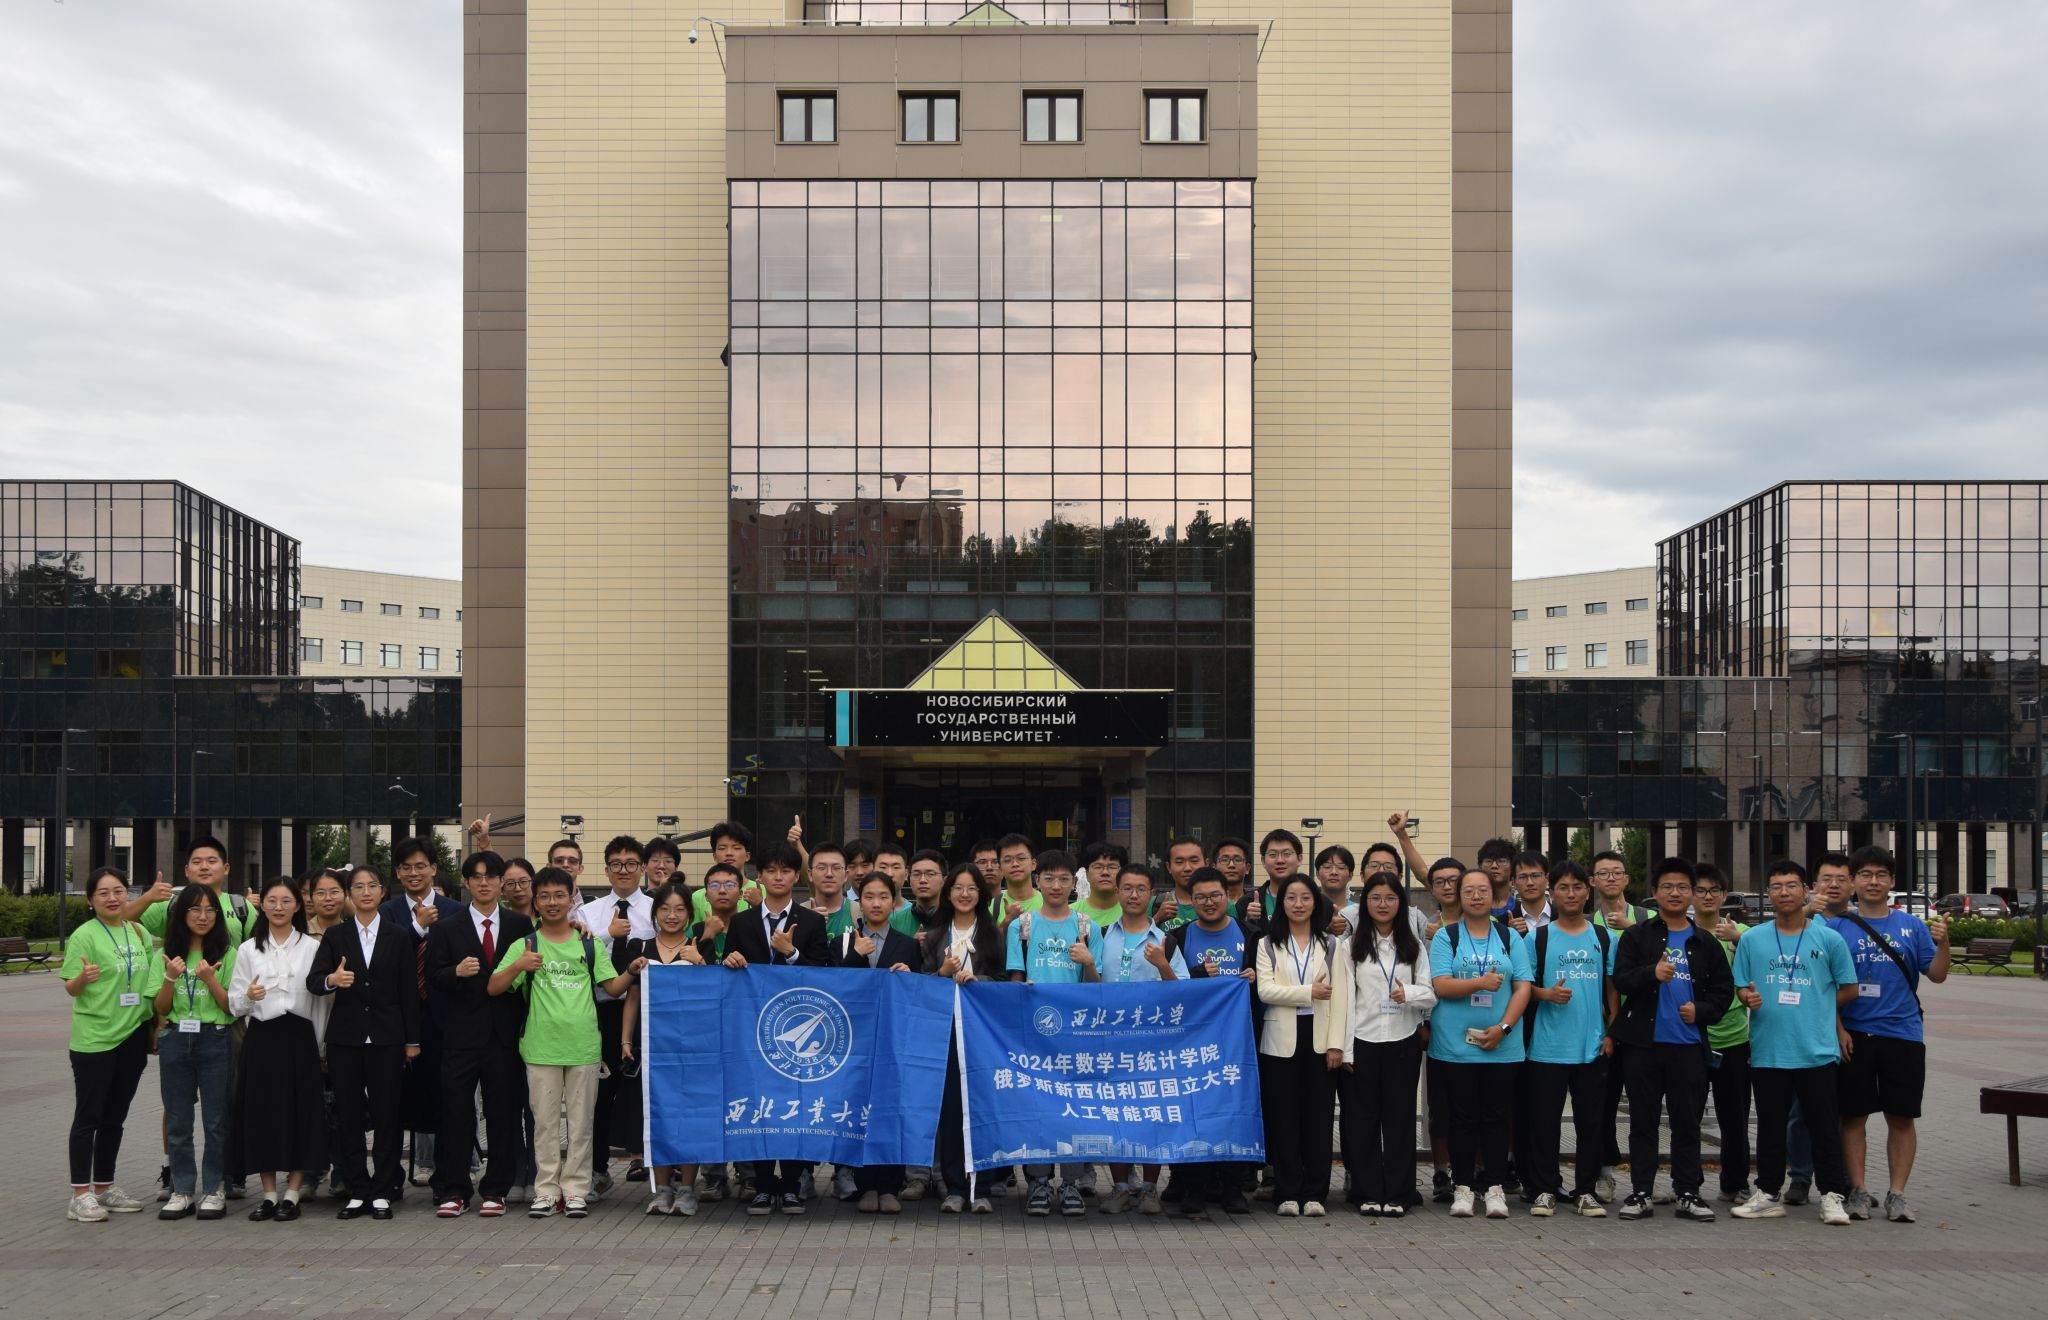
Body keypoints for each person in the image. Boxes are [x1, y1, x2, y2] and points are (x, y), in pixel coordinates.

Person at [488, 866, 638, 1219]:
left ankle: (575, 1191)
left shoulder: (587, 942)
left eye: (559, 895)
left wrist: (632, 971)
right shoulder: (525, 944)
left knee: (582, 1124)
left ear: (572, 899)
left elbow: (611, 986)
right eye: (544, 896)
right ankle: (546, 1191)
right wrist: (519, 966)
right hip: (540, 1048)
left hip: (584, 1048)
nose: (552, 902)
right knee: (545, 1125)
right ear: (535, 901)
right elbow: (494, 987)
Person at [1731, 859, 1858, 1226]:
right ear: (1768, 894)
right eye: (1776, 886)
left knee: (1823, 1127)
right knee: (1770, 1128)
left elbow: (1849, 987)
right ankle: (1768, 1193)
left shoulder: (1828, 938)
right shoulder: (1752, 939)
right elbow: (1741, 987)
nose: (1784, 892)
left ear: (1806, 891)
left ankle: (1833, 1196)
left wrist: (1819, 1002)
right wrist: (1748, 997)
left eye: (1791, 885)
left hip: (1816, 1051)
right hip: (1769, 1051)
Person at [1607, 857, 1733, 1222]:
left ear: (1691, 893)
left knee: (1687, 1123)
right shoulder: (1637, 936)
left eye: (1682, 887)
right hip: (1642, 1046)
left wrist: (1702, 1011)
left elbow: (1724, 992)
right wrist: (1653, 972)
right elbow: (1622, 979)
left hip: (1688, 1046)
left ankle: (1688, 1192)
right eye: (1667, 886)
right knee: (1643, 1122)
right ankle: (1641, 1192)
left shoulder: (1705, 942)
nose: (1674, 893)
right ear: (1654, 892)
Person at [1829, 844, 1948, 1223]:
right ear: (1853, 882)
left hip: (1903, 1034)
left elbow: (1937, 974)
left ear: (1892, 881)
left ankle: (1897, 1193)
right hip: (1854, 1036)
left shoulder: (1911, 926)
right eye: (1865, 874)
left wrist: (1944, 943)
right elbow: (1826, 988)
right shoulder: (1836, 928)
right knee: (1853, 1117)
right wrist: (1839, 1030)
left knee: (1901, 1117)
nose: (1873, 881)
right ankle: (1858, 1190)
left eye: (1881, 875)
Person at [722, 841, 830, 1215]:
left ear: (796, 876)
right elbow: (727, 970)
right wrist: (730, 959)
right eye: (771, 870)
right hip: (753, 1029)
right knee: (761, 1104)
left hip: (797, 1030)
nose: (779, 876)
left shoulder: (812, 921)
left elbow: (826, 974)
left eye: (786, 870)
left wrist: (791, 953)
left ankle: (793, 1185)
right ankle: (764, 1185)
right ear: (760, 877)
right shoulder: (742, 922)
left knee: (796, 1105)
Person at [308, 863, 421, 1221]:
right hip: (346, 1038)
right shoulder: (336, 936)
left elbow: (408, 992)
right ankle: (358, 1189)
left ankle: (384, 1188)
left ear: (382, 891)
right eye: (358, 886)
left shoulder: (397, 935)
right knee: (349, 1115)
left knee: (388, 1114)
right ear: (349, 894)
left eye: (372, 885)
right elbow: (314, 981)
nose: (366, 892)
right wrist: (332, 980)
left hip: (388, 1038)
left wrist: (412, 1040)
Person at [422, 850, 532, 1218]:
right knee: (456, 1113)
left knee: (502, 1114)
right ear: (466, 883)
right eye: (476, 877)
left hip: (504, 1036)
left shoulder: (520, 925)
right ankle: (455, 1189)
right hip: (459, 1036)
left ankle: (496, 1190)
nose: (484, 883)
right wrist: (455, 972)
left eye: (491, 876)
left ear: (502, 882)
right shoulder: (446, 928)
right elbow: (432, 979)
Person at [1428, 869, 1531, 1219]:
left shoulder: (1509, 936)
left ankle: (1495, 1187)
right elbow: (1441, 985)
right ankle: (1462, 1187)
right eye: (1468, 890)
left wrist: (1504, 1027)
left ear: (1493, 895)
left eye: (1482, 890)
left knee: (1497, 1117)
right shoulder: (1447, 936)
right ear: (1459, 896)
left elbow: (1523, 986)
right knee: (1461, 1118)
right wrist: (1479, 983)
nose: (1476, 896)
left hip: (1502, 1045)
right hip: (1455, 1046)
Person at [61, 867, 162, 1222]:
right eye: (103, 893)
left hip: (132, 1035)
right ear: (91, 900)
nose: (112, 898)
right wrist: (81, 978)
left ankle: (104, 1186)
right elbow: (70, 988)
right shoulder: (84, 936)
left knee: (115, 1117)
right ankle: (79, 1194)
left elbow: (149, 980)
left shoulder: (138, 931)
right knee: (88, 1116)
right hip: (95, 1039)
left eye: (118, 891)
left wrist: (154, 1025)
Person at [228, 876, 329, 1222]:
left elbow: (320, 1002)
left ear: (298, 905)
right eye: (272, 900)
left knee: (300, 1114)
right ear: (262, 905)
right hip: (262, 1038)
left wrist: (320, 1046)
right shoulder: (248, 949)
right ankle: (269, 1194)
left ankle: (292, 1193)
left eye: (286, 900)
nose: (279, 907)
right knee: (263, 1115)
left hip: (301, 1039)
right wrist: (248, 997)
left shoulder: (311, 947)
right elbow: (234, 1003)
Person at [1521, 861, 1616, 1218]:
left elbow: (1612, 989)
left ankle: (1586, 1190)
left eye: (1577, 887)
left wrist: (1611, 1032)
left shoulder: (1603, 937)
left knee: (1590, 1123)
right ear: (1553, 893)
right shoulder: (1538, 938)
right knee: (1544, 1123)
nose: (1571, 894)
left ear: (1587, 892)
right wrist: (1546, 994)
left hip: (1592, 1046)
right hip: (1547, 1048)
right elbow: (1522, 987)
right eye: (1564, 887)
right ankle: (1545, 1189)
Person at [1337, 872, 1434, 1218]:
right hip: (1361, 1041)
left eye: (1390, 898)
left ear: (1401, 903)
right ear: (1364, 903)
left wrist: (1409, 993)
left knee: (1399, 1119)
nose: (1382, 904)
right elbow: (1344, 1002)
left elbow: (1430, 993)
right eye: (1375, 898)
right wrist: (1344, 1048)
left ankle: (1399, 1193)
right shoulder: (1350, 947)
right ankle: (1366, 1191)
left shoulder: (1413, 946)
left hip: (1402, 1041)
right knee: (1362, 1120)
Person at [1005, 849, 1094, 1218]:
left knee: (1074, 1108)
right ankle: (1038, 1182)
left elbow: (1097, 988)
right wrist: (1021, 990)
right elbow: (1014, 978)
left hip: (1075, 1036)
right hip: (1034, 1033)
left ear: (1074, 883)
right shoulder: (1022, 926)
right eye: (1049, 878)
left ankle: (1071, 1183)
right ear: (1037, 880)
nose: (1056, 885)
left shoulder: (1086, 926)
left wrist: (1089, 963)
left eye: (1064, 879)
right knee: (1036, 1107)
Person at [1163, 866, 1255, 1219]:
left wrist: (1256, 978)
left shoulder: (1251, 935)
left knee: (1233, 1113)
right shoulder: (1179, 937)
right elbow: (1170, 988)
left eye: (1215, 895)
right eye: (1200, 897)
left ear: (1227, 896)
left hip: (1238, 1042)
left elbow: (1268, 982)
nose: (1209, 902)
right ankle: (1194, 1187)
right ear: (1191, 900)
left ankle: (1233, 1188)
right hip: (1193, 1045)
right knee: (1194, 1114)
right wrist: (1198, 975)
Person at [1253, 873, 1345, 1218]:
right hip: (1280, 1042)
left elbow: (1340, 1000)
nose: (1298, 904)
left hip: (1320, 1040)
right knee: (1284, 1119)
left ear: (1316, 903)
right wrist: (1309, 992)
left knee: (1318, 1119)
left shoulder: (1331, 944)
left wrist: (1336, 1045)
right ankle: (1288, 1192)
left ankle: (1315, 1193)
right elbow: (1266, 991)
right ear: (1281, 904)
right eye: (1291, 898)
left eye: (1305, 897)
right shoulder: (1267, 944)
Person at [834, 872, 921, 1213]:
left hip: (894, 1039)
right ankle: (865, 1184)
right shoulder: (845, 941)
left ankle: (890, 1186)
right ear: (859, 901)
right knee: (859, 1109)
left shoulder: (908, 944)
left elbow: (920, 994)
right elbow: (835, 988)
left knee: (892, 1109)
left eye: (883, 896)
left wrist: (909, 977)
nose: (875, 903)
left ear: (893, 901)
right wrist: (856, 955)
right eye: (868, 896)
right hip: (854, 1041)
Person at [620, 880, 706, 1215]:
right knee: (657, 1116)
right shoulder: (640, 947)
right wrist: (626, 1040)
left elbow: (714, 993)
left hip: (692, 1049)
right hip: (653, 1049)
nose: (672, 915)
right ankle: (661, 1189)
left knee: (690, 1117)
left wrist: (700, 962)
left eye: (680, 909)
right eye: (665, 909)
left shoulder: (699, 946)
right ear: (655, 913)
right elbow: (632, 997)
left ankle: (687, 1188)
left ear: (689, 914)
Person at [380, 837, 460, 1192]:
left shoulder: (454, 910)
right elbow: (382, 959)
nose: (414, 873)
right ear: (398, 873)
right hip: (397, 1018)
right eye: (406, 867)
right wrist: (416, 928)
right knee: (393, 1101)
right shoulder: (386, 912)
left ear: (433, 869)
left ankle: (446, 1180)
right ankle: (390, 1180)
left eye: (420, 866)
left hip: (443, 1018)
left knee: (446, 1100)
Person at [153, 884, 237, 1221]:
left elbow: (230, 1007)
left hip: (215, 1038)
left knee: (215, 1120)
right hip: (175, 1038)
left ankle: (214, 1188)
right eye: (195, 909)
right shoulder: (166, 954)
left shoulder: (228, 954)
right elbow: (160, 1008)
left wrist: (209, 980)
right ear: (181, 914)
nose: (203, 917)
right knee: (178, 1119)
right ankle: (182, 1190)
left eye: (209, 910)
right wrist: (170, 978)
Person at [925, 863, 1005, 1214]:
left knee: (983, 1108)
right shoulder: (933, 936)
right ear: (948, 892)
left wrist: (978, 981)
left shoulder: (992, 934)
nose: (965, 894)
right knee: (951, 1113)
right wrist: (942, 973)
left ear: (981, 894)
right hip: (944, 1034)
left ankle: (982, 1187)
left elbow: (1003, 980)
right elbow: (921, 986)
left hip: (983, 1034)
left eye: (972, 888)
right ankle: (956, 1187)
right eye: (958, 887)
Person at [576, 834, 653, 1197]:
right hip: (602, 1012)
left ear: (643, 868)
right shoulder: (589, 913)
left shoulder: (656, 909)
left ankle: (655, 1166)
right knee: (600, 1094)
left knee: (646, 1092)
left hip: (647, 1013)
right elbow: (578, 957)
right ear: (606, 870)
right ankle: (596, 1170)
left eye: (631, 863)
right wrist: (607, 935)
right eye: (616, 864)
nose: (624, 870)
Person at [1783, 850, 1856, 1206]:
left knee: (1845, 1112)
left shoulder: (1859, 924)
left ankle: (1848, 1180)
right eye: (1827, 879)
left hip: (1858, 1029)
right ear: (1812, 886)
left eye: (1841, 879)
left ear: (1852, 885)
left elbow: (1845, 985)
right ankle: (1800, 1175)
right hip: (1811, 1032)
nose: (1833, 885)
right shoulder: (1807, 925)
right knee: (1801, 1112)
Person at [1685, 865, 1754, 1204]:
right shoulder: (1681, 933)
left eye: (1714, 890)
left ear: (1725, 895)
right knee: (1688, 1117)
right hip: (1692, 1037)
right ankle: (1688, 1182)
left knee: (1735, 1117)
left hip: (1734, 1038)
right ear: (1691, 895)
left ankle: (1735, 1182)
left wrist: (1738, 940)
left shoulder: (1744, 933)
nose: (1707, 896)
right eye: (1700, 890)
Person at [1414, 854, 1466, 1203]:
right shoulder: (1425, 928)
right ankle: (1441, 1172)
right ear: (1431, 889)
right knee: (1440, 1106)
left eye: (1454, 880)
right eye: (1440, 882)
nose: (1447, 887)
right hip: (1438, 1026)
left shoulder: (1488, 924)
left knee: (1474, 1106)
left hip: (1481, 1026)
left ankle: (1474, 1171)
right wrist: (1424, 1022)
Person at [1237, 828, 1303, 934]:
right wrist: (1248, 921)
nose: (1280, 860)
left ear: (1299, 859)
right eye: (1273, 855)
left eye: (1287, 854)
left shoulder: (1317, 901)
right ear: (1263, 861)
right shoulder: (1247, 903)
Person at [805, 841, 856, 939]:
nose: (829, 874)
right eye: (821, 868)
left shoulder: (861, 913)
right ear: (810, 875)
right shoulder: (797, 914)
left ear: (846, 875)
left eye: (836, 868)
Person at [991, 833, 1041, 925]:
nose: (1015, 864)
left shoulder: (1049, 903)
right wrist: (1007, 921)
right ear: (1000, 868)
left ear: (1033, 864)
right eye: (1007, 860)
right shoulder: (993, 907)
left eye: (1021, 858)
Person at [1078, 841, 1130, 928]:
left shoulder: (1133, 913)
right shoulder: (1071, 913)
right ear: (1087, 874)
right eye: (1098, 867)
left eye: (1112, 867)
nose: (1105, 872)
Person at [1160, 839, 1205, 930]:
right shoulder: (1154, 904)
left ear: (1206, 863)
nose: (1187, 868)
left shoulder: (1222, 904)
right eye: (1179, 862)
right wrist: (1157, 919)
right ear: (1169, 867)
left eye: (1194, 861)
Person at [1507, 852, 1553, 934]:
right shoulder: (1502, 923)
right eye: (1523, 877)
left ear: (1547, 878)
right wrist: (1508, 934)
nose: (1530, 883)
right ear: (1514, 882)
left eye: (1535, 876)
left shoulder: (1564, 918)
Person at [1314, 846, 1356, 935]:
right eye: (1327, 867)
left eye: (1341, 867)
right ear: (1317, 874)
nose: (1334, 872)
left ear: (1350, 875)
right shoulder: (1308, 909)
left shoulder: (1358, 912)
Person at [1477, 838, 1518, 914]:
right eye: (1488, 861)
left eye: (1501, 861)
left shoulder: (1521, 907)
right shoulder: (1471, 906)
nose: (1494, 866)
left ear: (1512, 866)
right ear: (1480, 866)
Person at [1213, 837, 1253, 906]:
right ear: (1214, 868)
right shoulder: (1206, 904)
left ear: (1247, 868)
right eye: (1225, 860)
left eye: (1237, 860)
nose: (1231, 865)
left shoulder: (1256, 904)